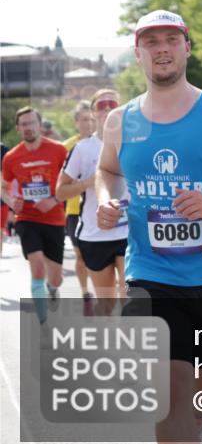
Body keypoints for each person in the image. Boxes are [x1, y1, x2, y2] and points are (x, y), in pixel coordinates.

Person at [94, 10, 202, 444]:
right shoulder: (121, 121)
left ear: (187, 48)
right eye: (151, 42)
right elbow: (107, 170)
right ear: (138, 53)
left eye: (171, 39)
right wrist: (107, 199)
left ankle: (194, 429)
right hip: (150, 276)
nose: (162, 49)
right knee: (170, 394)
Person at [56, 90, 128, 316]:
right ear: (93, 112)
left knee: (129, 296)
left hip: (129, 232)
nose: (107, 108)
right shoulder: (82, 148)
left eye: (112, 103)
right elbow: (60, 192)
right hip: (95, 234)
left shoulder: (135, 143)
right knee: (107, 303)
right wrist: (88, 182)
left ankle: (131, 333)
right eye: (101, 105)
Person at [1, 107, 68, 324]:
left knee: (56, 278)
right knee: (37, 266)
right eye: (24, 124)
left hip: (55, 218)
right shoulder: (11, 157)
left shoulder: (58, 150)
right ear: (18, 129)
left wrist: (54, 200)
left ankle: (52, 288)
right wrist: (12, 202)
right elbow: (3, 187)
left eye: (32, 123)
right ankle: (43, 322)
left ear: (39, 125)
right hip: (27, 218)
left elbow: (71, 182)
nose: (28, 127)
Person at [63, 100, 97, 310]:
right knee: (81, 256)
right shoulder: (66, 147)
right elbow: (58, 183)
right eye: (84, 120)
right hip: (75, 210)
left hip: (100, 209)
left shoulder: (104, 142)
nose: (88, 124)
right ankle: (85, 293)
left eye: (91, 119)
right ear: (76, 122)